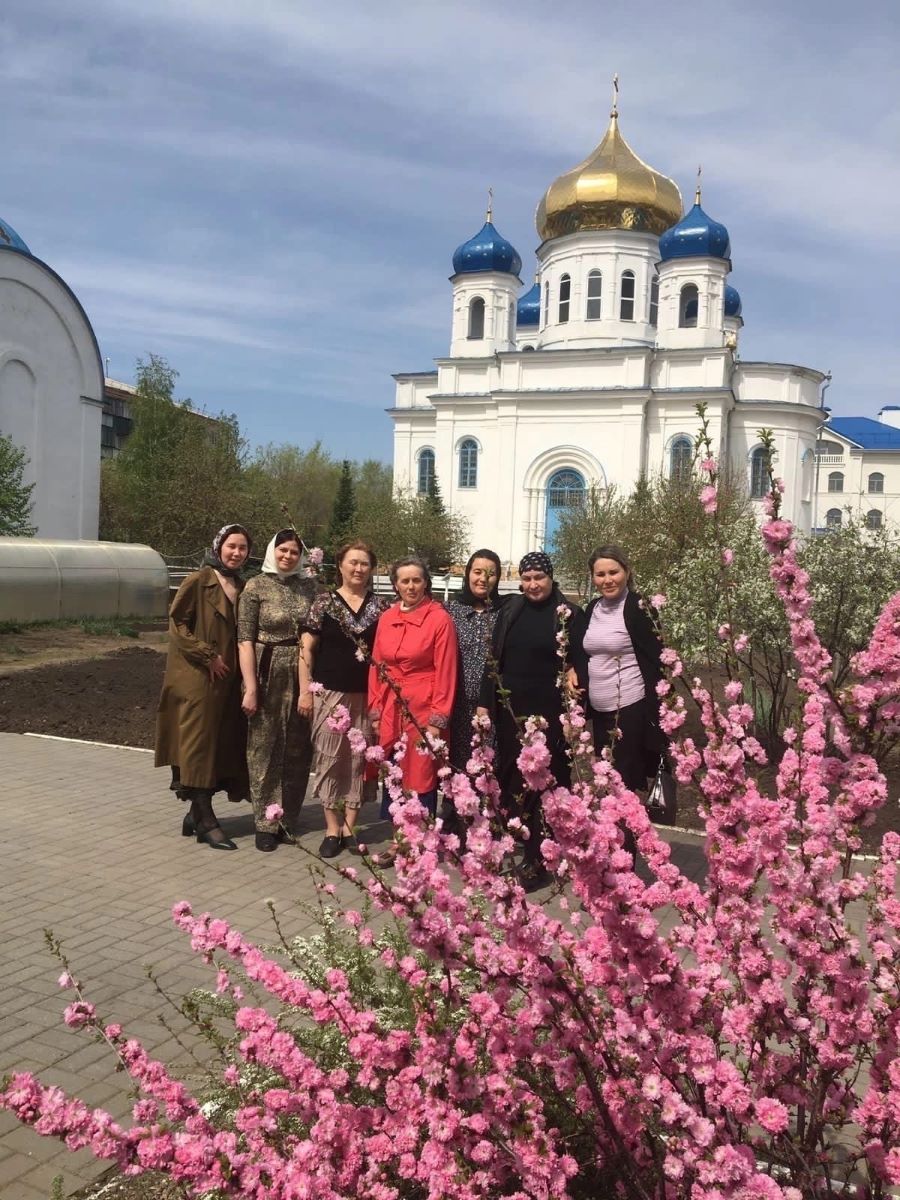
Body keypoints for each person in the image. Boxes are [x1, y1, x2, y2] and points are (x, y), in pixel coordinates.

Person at [477, 551, 585, 889]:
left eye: (539, 577)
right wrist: (484, 704)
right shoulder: (510, 610)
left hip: (550, 714)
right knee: (514, 782)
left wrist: (572, 713)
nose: (533, 584)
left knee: (547, 786)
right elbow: (493, 659)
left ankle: (542, 860)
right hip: (512, 714)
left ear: (551, 578)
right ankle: (529, 851)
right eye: (527, 578)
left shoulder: (569, 614)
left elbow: (579, 665)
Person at [155, 523, 252, 850]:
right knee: (197, 746)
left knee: (218, 745)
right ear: (218, 547)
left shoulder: (242, 586)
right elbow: (176, 622)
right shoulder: (199, 580)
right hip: (198, 679)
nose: (237, 553)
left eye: (242, 548)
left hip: (228, 680)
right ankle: (206, 821)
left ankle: (194, 815)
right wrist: (207, 655)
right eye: (231, 546)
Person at [299, 540, 388, 858]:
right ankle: (332, 828)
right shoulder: (324, 602)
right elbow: (305, 649)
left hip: (366, 695)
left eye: (364, 563)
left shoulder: (381, 607)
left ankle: (351, 827)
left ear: (371, 568)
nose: (358, 568)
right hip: (328, 694)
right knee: (329, 758)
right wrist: (305, 691)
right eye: (353, 562)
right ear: (340, 565)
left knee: (357, 760)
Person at [368, 556, 458, 858]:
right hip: (392, 706)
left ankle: (418, 842)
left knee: (420, 776)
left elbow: (446, 669)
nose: (410, 586)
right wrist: (376, 709)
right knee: (395, 775)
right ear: (395, 584)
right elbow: (377, 666)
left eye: (416, 580)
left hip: (422, 706)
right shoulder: (387, 616)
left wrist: (437, 719)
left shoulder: (438, 619)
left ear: (425, 583)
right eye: (404, 580)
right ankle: (398, 839)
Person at [237, 529, 318, 852]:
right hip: (266, 668)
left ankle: (288, 819)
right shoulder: (255, 586)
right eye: (282, 550)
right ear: (274, 551)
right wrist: (251, 687)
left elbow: (315, 632)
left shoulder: (310, 587)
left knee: (298, 747)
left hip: (301, 668)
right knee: (264, 745)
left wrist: (308, 686)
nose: (288, 556)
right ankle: (265, 821)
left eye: (294, 552)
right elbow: (244, 639)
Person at [577, 544, 667, 792]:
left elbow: (657, 661)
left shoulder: (639, 607)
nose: (607, 580)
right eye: (600, 574)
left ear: (627, 571)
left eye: (613, 572)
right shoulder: (592, 608)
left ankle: (627, 832)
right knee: (605, 781)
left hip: (629, 709)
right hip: (600, 711)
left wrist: (661, 711)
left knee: (623, 786)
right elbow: (585, 651)